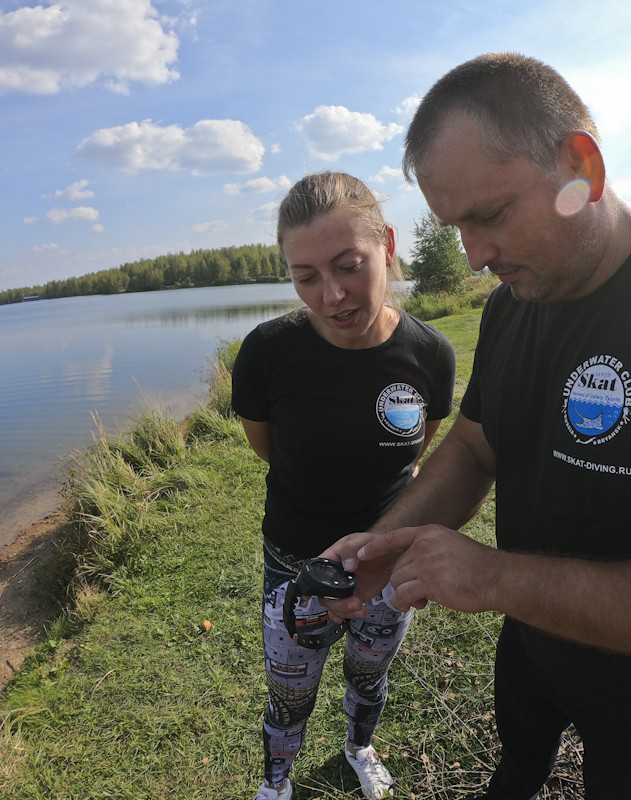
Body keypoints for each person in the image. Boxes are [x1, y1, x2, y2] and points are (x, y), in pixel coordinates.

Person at [321, 53, 631, 800]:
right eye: (455, 229)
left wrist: (497, 576)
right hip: (529, 643)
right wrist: (390, 541)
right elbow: (477, 445)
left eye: (490, 214)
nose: (475, 256)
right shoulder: (515, 305)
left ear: (583, 165)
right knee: (516, 769)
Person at [231, 171, 456, 800]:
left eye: (349, 265)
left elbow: (419, 451)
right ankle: (276, 784)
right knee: (289, 691)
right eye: (306, 277)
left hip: (385, 566)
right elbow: (266, 445)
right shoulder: (267, 353)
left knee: (369, 675)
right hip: (293, 566)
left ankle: (358, 748)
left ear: (386, 243)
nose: (331, 295)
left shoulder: (430, 354)